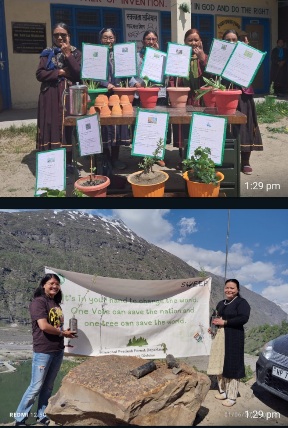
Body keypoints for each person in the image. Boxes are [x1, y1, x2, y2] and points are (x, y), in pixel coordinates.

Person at [14, 274, 76, 426]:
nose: (55, 286)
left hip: (57, 349)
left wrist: (64, 330)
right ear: (43, 285)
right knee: (35, 387)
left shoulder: (55, 303)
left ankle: (41, 415)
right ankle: (19, 419)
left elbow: (55, 326)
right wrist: (62, 333)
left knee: (48, 386)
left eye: (57, 284)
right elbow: (43, 326)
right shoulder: (38, 302)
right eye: (51, 283)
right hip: (43, 350)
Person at [36, 23, 82, 170]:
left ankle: (68, 162)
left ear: (69, 35)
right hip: (49, 95)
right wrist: (61, 72)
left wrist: (67, 54)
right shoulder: (46, 53)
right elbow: (40, 74)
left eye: (63, 34)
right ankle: (50, 162)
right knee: (49, 125)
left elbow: (78, 73)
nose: (60, 37)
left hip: (68, 95)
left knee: (66, 127)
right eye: (56, 35)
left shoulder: (75, 53)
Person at [222, 29, 263, 175]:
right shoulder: (219, 56)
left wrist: (247, 52)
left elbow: (252, 71)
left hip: (243, 95)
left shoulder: (245, 55)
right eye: (228, 40)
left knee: (245, 126)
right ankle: (226, 159)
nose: (231, 42)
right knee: (227, 127)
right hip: (225, 95)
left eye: (234, 39)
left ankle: (245, 161)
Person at [129, 30, 171, 166]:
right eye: (148, 39)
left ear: (157, 41)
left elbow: (165, 76)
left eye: (153, 39)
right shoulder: (136, 57)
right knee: (142, 125)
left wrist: (158, 56)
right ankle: (142, 155)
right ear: (143, 41)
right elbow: (128, 73)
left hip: (158, 95)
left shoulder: (162, 57)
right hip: (140, 94)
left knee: (157, 124)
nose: (151, 41)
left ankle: (158, 154)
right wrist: (134, 83)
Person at [207, 279, 250, 407]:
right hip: (220, 337)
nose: (229, 290)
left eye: (232, 288)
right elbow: (214, 317)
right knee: (220, 363)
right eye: (227, 287)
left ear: (237, 290)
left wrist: (225, 322)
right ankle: (223, 391)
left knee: (232, 365)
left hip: (234, 338)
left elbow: (243, 318)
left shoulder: (241, 303)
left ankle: (232, 396)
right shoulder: (221, 303)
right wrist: (212, 328)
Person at [169, 29, 208, 169]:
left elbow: (211, 75)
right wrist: (173, 95)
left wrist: (202, 58)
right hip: (183, 100)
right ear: (185, 43)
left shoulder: (205, 58)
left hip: (199, 101)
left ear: (200, 42)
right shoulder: (178, 59)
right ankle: (184, 158)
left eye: (196, 40)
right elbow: (172, 79)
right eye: (190, 40)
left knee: (198, 129)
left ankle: (199, 159)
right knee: (182, 129)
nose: (193, 43)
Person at [98, 27, 130, 170]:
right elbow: (91, 73)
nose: (108, 40)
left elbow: (128, 73)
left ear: (115, 39)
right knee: (104, 126)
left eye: (111, 37)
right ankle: (105, 158)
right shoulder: (96, 55)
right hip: (102, 95)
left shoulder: (120, 55)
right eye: (105, 37)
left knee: (117, 125)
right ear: (100, 39)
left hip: (117, 95)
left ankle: (115, 158)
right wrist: (106, 84)